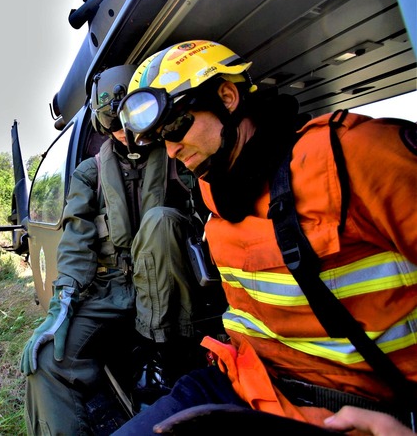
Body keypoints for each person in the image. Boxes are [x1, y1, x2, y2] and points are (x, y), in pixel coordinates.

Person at [112, 40, 417, 435]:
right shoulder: (214, 191)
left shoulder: (357, 154)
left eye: (176, 126)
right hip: (239, 383)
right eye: (160, 138)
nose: (170, 150)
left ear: (227, 96)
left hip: (348, 410)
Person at [20, 64, 225, 435]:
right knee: (46, 361)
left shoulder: (180, 155)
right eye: (117, 125)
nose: (129, 133)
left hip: (172, 295)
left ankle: (159, 360)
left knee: (161, 220)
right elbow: (76, 239)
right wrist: (61, 303)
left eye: (135, 122)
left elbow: (213, 211)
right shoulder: (91, 172)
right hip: (109, 289)